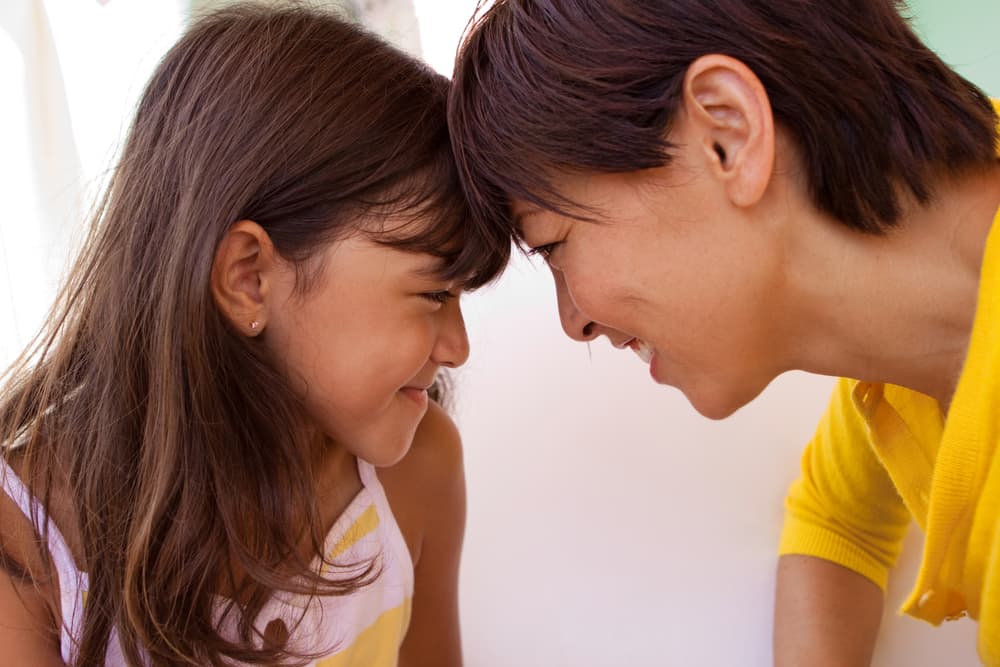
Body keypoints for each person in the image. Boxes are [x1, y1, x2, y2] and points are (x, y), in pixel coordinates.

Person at [447, 0, 1000, 664]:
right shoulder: (913, 346)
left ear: (727, 134)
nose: (577, 321)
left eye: (558, 244)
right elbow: (836, 520)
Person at [0, 4, 507, 666]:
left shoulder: (421, 468)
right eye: (434, 293)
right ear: (249, 279)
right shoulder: (27, 523)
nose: (457, 345)